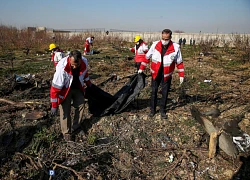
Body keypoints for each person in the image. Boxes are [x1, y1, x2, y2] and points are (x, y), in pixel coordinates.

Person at [50, 50, 92, 141]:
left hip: (77, 87)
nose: (74, 66)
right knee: (65, 109)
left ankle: (76, 127)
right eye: (73, 64)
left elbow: (85, 73)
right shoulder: (61, 69)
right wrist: (54, 105)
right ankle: (66, 132)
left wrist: (88, 83)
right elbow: (54, 89)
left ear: (81, 60)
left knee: (81, 105)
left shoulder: (84, 62)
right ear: (69, 59)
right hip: (65, 89)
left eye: (77, 64)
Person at [143, 29, 184, 119]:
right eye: (163, 38)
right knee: (154, 92)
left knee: (165, 93)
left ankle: (162, 110)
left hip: (167, 75)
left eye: (167, 39)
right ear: (161, 36)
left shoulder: (175, 48)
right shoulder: (155, 45)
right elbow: (147, 57)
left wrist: (181, 75)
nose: (164, 41)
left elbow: (179, 62)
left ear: (170, 38)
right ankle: (152, 110)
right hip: (155, 74)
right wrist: (141, 68)